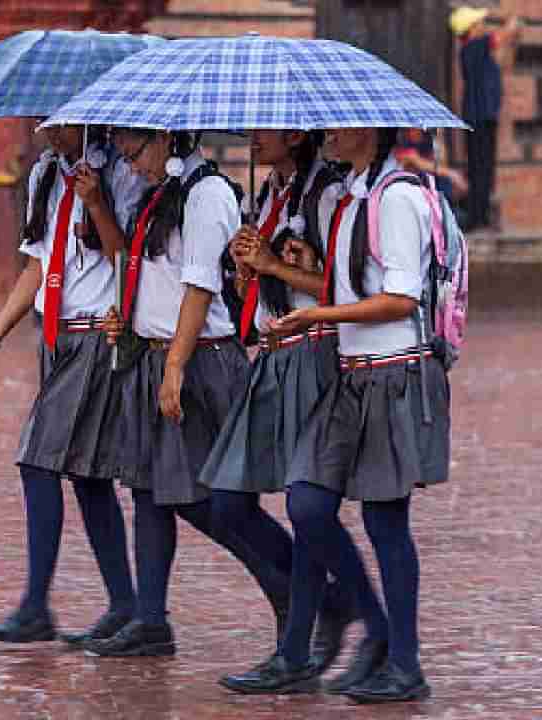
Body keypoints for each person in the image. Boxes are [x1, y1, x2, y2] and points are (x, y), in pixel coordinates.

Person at [245, 127, 451, 704]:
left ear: (370, 131)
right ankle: (377, 632)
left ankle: (404, 664)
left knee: (387, 522)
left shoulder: (398, 197)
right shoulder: (355, 196)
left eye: (340, 127)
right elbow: (355, 279)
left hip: (393, 370)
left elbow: (401, 298)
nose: (329, 134)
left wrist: (318, 315)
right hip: (352, 371)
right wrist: (301, 268)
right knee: (307, 501)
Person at [86, 129, 301, 659]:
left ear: (166, 139)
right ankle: (151, 619)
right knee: (149, 492)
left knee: (206, 501)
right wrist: (130, 319)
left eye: (136, 153)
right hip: (155, 353)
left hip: (201, 361)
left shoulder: (206, 195)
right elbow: (148, 271)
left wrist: (176, 367)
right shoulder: (157, 192)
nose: (131, 166)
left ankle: (294, 587)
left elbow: (201, 287)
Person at [0, 123, 143, 647]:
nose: (45, 128)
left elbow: (125, 258)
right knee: (88, 477)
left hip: (94, 336)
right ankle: (125, 603)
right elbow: (38, 265)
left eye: (57, 119)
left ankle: (37, 606)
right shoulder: (46, 173)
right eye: (42, 118)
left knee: (38, 461)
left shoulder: (120, 174)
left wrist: (99, 203)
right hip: (56, 338)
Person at [199, 129, 359, 692]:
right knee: (226, 502)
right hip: (273, 359)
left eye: (263, 130)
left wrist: (274, 265)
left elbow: (348, 289)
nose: (251, 138)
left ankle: (296, 649)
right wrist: (247, 273)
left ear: (294, 134)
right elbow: (253, 297)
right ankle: (330, 604)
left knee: (304, 504)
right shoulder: (269, 195)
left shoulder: (330, 195)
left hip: (316, 356)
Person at [452, 6, 521, 231]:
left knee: (484, 168)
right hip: (478, 116)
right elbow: (505, 33)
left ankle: (480, 216)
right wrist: (511, 19)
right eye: (478, 23)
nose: (482, 26)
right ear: (470, 29)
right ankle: (475, 218)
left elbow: (504, 58)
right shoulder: (473, 47)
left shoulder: (478, 51)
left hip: (484, 115)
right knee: (479, 168)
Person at [395, 128, 469, 225]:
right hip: (409, 196)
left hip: (430, 193)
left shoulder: (428, 140)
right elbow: (417, 161)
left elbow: (435, 165)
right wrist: (451, 174)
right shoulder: (402, 143)